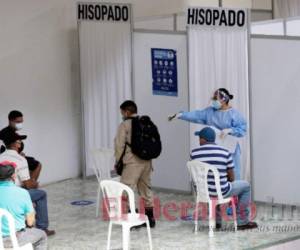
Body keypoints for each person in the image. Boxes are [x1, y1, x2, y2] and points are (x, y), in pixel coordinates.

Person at [169, 88, 246, 180]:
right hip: (214, 147)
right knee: (215, 172)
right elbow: (197, 115)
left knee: (233, 173)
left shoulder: (234, 114)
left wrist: (231, 130)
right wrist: (182, 115)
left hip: (230, 147)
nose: (213, 100)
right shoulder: (210, 112)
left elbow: (242, 129)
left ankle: (233, 192)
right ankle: (215, 191)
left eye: (215, 98)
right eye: (213, 98)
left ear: (224, 99)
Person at [190, 127, 257, 230]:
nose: (199, 140)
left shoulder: (194, 153)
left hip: (203, 192)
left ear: (203, 139)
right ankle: (242, 221)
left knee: (213, 187)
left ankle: (217, 222)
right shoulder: (225, 152)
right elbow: (232, 177)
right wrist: (224, 180)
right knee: (246, 186)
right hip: (221, 191)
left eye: (200, 138)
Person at [0, 132, 55, 236]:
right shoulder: (20, 159)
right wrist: (34, 183)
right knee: (41, 194)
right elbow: (28, 185)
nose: (20, 142)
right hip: (14, 192)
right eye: (19, 141)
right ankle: (42, 228)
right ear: (16, 144)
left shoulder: (0, 157)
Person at [114, 100, 155, 228]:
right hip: (147, 162)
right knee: (146, 189)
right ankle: (150, 218)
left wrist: (118, 162)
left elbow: (119, 146)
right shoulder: (145, 123)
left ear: (127, 112)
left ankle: (130, 219)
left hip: (132, 163)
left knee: (126, 190)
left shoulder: (124, 125)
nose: (122, 115)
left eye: (122, 112)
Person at [0, 161, 47, 250]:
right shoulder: (22, 193)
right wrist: (29, 212)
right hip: (14, 239)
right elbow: (30, 223)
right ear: (13, 176)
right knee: (42, 235)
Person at [0, 110, 42, 181]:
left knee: (32, 162)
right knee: (37, 164)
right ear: (10, 121)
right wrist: (18, 156)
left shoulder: (13, 133)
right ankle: (30, 186)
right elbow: (4, 151)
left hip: (15, 157)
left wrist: (18, 154)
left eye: (21, 122)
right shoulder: (4, 134)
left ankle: (28, 184)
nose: (20, 124)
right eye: (18, 122)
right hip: (9, 160)